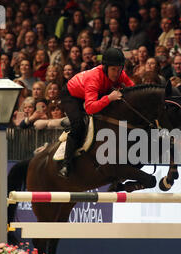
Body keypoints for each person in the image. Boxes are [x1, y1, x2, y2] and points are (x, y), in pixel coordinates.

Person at [58, 48, 135, 178]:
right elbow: (89, 108)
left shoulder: (120, 73)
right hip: (71, 95)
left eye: (119, 69)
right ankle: (66, 165)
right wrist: (109, 98)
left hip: (92, 93)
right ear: (105, 67)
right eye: (113, 70)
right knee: (79, 125)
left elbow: (133, 90)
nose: (117, 74)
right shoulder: (94, 78)